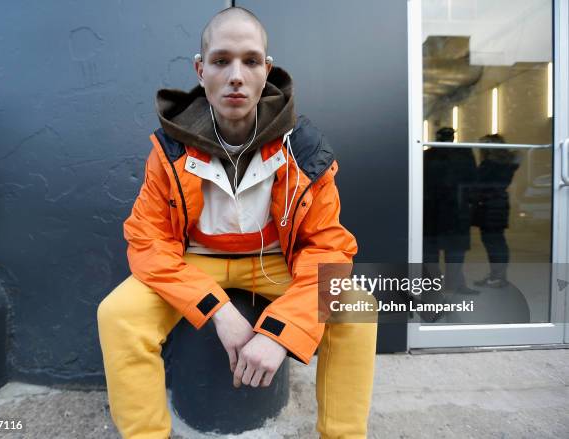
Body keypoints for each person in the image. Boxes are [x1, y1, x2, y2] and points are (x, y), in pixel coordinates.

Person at [97, 6, 377, 439]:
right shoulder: (169, 148)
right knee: (117, 314)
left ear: (266, 70)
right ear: (200, 68)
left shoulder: (305, 149)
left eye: (250, 61)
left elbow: (328, 248)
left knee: (356, 306)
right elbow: (147, 240)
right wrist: (217, 308)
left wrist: (280, 332)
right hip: (194, 263)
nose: (235, 75)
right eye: (221, 60)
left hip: (274, 263)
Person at [423, 127, 479, 296]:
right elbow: (473, 180)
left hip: (434, 207)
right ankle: (452, 286)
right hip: (452, 207)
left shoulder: (428, 155)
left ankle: (437, 286)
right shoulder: (464, 154)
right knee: (452, 250)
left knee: (434, 251)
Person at [472, 134, 519, 288]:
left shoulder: (492, 164)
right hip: (496, 205)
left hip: (490, 206)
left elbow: (479, 184)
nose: (480, 149)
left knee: (494, 242)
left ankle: (498, 276)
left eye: (483, 146)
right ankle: (497, 275)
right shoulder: (504, 163)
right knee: (495, 241)